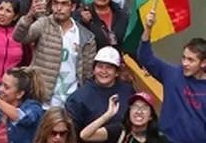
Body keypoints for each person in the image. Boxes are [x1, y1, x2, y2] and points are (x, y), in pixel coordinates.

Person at [13, 0, 97, 107]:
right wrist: (29, 15)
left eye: (64, 4)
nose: (59, 8)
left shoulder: (86, 37)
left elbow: (87, 74)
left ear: (73, 7)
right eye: (55, 3)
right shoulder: (44, 23)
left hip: (71, 102)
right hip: (42, 99)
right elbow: (19, 37)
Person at [136, 9, 206, 143]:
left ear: (203, 63)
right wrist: (148, 29)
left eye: (191, 60)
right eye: (184, 57)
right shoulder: (172, 73)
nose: (185, 63)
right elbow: (145, 58)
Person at [64, 46, 135, 143]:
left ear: (117, 72)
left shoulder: (128, 91)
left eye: (109, 67)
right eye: (100, 66)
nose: (103, 71)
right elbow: (71, 135)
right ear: (93, 70)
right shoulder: (78, 98)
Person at [0, 66, 47, 143]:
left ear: (19, 94)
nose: (0, 89)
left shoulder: (33, 107)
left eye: (6, 87)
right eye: (1, 84)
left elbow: (23, 117)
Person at [78, 92, 167, 143]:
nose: (139, 112)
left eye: (144, 108)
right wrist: (108, 114)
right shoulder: (120, 131)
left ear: (151, 116)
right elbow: (84, 135)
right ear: (129, 112)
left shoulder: (159, 139)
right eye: (135, 107)